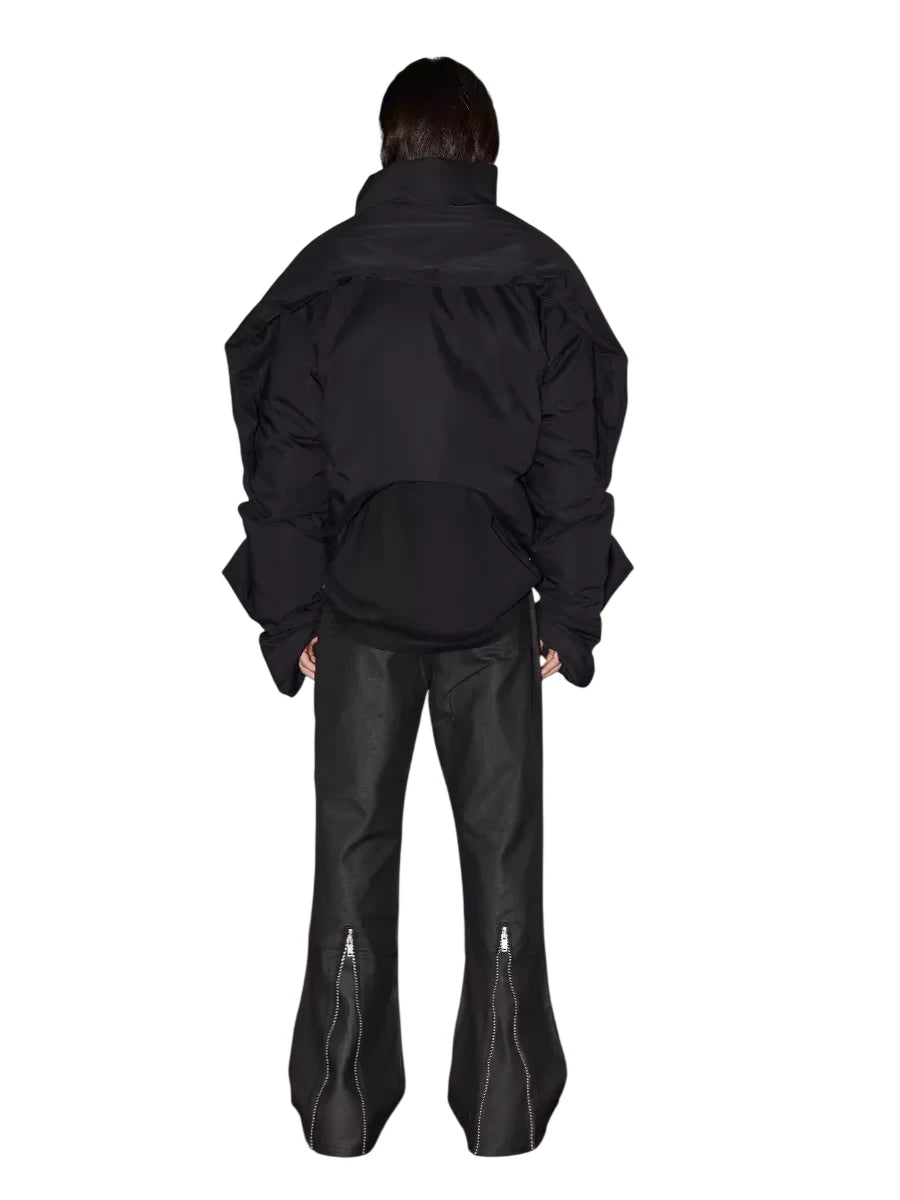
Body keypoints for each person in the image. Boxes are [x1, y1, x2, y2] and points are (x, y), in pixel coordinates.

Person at [223, 56, 631, 1157]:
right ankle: (505, 1104)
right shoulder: (538, 278)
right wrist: (570, 615)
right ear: (485, 149)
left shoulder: (327, 280)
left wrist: (289, 616)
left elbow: (285, 464)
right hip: (495, 620)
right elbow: (573, 463)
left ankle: (342, 1105)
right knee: (503, 865)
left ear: (389, 145)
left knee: (351, 854)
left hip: (355, 621)